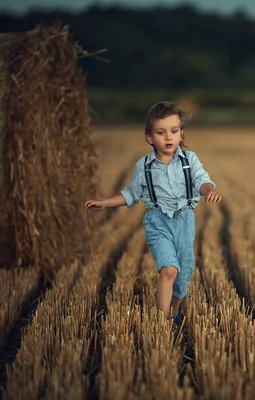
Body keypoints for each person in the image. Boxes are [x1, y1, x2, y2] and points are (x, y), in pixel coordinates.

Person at [84, 101, 222, 326]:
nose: (168, 137)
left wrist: (210, 191)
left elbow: (202, 180)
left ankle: (173, 312)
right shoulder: (144, 166)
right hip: (157, 222)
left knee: (183, 275)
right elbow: (130, 193)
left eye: (174, 131)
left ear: (181, 133)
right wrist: (105, 203)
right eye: (161, 132)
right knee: (168, 270)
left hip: (185, 220)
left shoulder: (190, 160)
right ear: (150, 137)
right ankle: (161, 323)